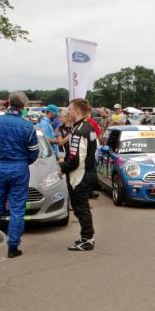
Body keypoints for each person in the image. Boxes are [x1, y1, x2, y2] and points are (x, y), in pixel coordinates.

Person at [0, 91, 39, 258]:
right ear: (23, 106)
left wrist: (0, 155)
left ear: (8, 103)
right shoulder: (28, 126)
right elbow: (34, 153)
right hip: (19, 167)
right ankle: (13, 247)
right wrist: (23, 161)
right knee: (17, 208)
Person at [59, 98, 98, 251]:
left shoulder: (78, 131)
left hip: (80, 176)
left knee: (81, 208)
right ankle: (86, 237)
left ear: (76, 111)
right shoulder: (89, 127)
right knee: (82, 208)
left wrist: (62, 168)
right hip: (88, 172)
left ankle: (88, 239)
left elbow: (75, 159)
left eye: (69, 109)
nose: (67, 112)